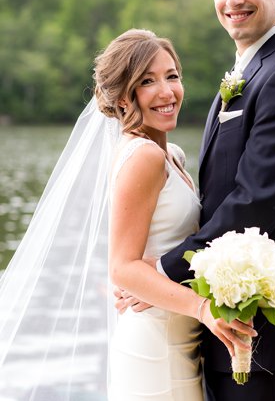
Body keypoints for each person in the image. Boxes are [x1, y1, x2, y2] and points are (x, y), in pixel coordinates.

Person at [122, 0, 275, 400]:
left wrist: (159, 270)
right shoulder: (252, 68)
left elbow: (255, 201)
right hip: (222, 323)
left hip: (270, 332)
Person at [0, 29, 254, 400]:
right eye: (147, 81)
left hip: (179, 339)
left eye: (172, 76)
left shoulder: (172, 155)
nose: (167, 92)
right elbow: (122, 267)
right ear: (122, 98)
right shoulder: (145, 157)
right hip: (155, 346)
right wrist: (203, 309)